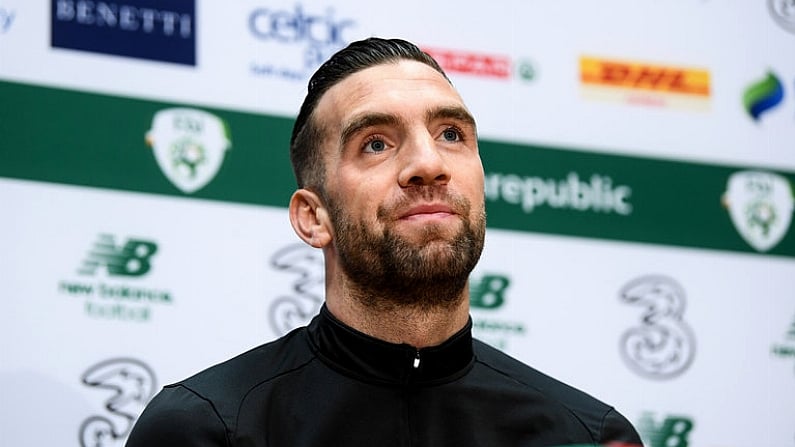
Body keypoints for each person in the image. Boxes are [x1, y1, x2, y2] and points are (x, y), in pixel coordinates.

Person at [126, 37, 643, 447]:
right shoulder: (207, 428)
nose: (429, 164)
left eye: (451, 135)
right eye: (375, 143)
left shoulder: (588, 436)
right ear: (312, 217)